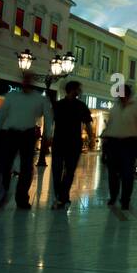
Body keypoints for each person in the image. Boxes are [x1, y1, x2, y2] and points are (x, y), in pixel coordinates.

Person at [0, 72, 54, 209]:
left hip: (28, 134)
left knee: (26, 168)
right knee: (5, 165)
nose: (26, 81)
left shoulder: (39, 99)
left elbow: (48, 117)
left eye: (28, 79)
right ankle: (3, 192)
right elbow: (0, 116)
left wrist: (48, 135)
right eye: (24, 79)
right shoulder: (12, 96)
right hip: (10, 133)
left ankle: (22, 198)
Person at [101, 84, 137, 210]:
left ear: (127, 93)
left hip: (128, 143)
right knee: (113, 173)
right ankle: (113, 196)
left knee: (127, 173)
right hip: (113, 143)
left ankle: (125, 200)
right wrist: (105, 137)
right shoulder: (115, 107)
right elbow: (110, 124)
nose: (119, 96)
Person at [50, 81, 93, 209]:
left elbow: (50, 121)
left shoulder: (58, 105)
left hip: (60, 142)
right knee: (68, 172)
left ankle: (61, 196)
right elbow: (88, 125)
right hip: (72, 143)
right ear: (73, 90)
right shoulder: (80, 106)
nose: (80, 92)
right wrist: (90, 138)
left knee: (59, 171)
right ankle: (62, 196)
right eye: (79, 89)